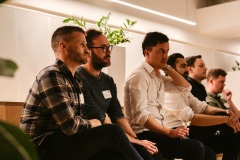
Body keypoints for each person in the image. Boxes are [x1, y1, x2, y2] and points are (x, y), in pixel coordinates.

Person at [20, 26, 143, 160]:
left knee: (112, 152)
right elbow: (71, 127)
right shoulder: (52, 75)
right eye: (82, 44)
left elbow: (78, 121)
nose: (87, 50)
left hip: (63, 141)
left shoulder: (76, 79)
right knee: (113, 131)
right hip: (40, 147)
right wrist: (95, 122)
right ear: (64, 46)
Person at [124, 31, 213, 160]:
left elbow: (186, 87)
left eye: (167, 51)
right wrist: (169, 132)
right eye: (161, 51)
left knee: (204, 150)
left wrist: (166, 68)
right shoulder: (139, 76)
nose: (165, 56)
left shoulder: (158, 77)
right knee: (196, 147)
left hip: (157, 133)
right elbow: (140, 116)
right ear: (147, 53)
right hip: (143, 134)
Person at [77, 28, 160, 160]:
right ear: (88, 51)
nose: (109, 52)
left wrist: (136, 138)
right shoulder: (79, 78)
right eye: (103, 48)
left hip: (112, 135)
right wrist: (135, 142)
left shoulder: (107, 80)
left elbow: (117, 115)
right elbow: (100, 120)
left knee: (149, 152)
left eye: (109, 47)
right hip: (92, 141)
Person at [163, 53, 240, 160]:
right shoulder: (169, 92)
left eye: (186, 66)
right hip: (177, 132)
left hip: (190, 130)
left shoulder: (185, 89)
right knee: (210, 148)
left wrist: (228, 113)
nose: (186, 70)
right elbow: (191, 118)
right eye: (182, 66)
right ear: (171, 70)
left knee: (233, 138)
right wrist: (225, 119)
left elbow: (203, 107)